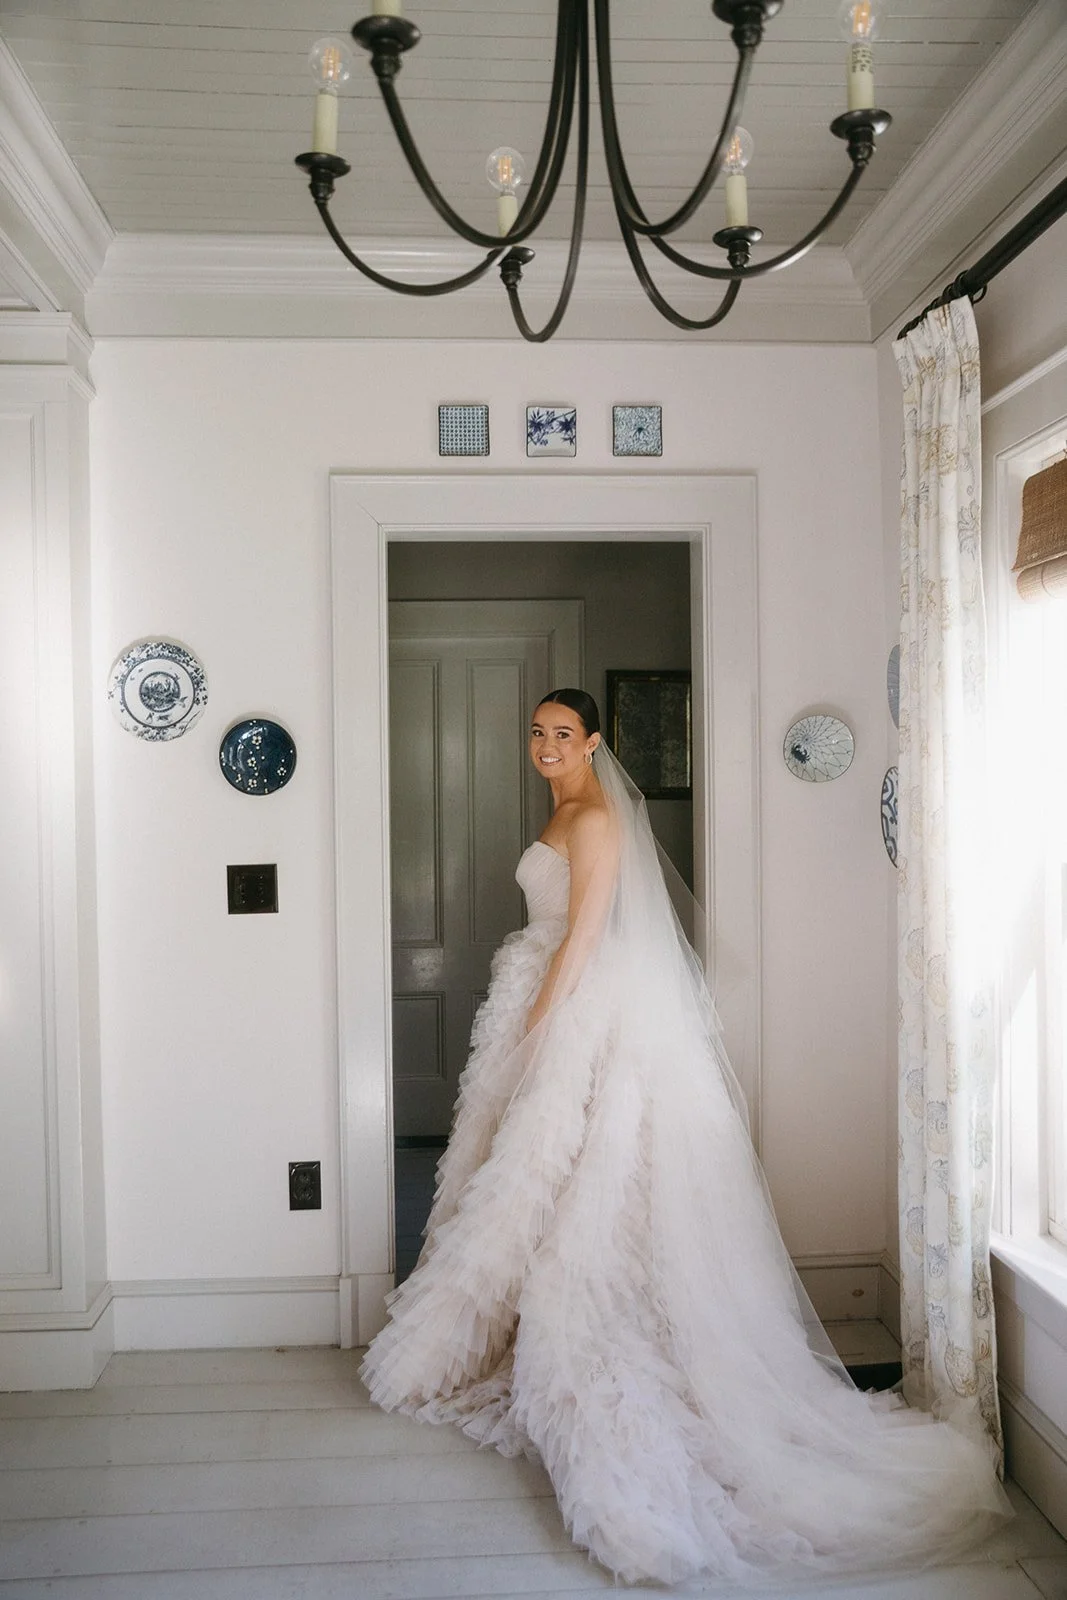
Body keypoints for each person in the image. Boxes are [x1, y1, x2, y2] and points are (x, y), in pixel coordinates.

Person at [361, 688, 1012, 1587]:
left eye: (564, 735)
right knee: (530, 1174)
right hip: (554, 990)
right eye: (538, 734)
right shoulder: (567, 808)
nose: (547, 747)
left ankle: (570, 1330)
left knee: (568, 1172)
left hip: (576, 1006)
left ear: (593, 743)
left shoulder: (592, 820)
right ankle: (505, 1328)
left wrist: (532, 1029)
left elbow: (582, 937)